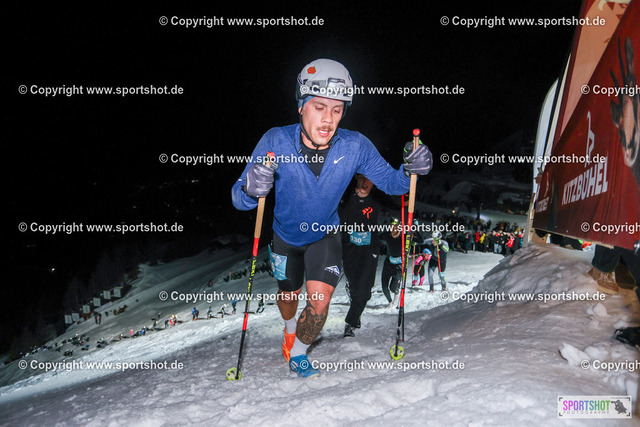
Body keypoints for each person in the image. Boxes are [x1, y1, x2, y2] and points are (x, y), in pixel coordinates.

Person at [231, 58, 433, 378]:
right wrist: (250, 189)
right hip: (285, 237)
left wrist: (411, 169)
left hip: (325, 236)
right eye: (319, 107)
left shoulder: (354, 146)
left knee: (320, 301)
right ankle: (289, 328)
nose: (328, 119)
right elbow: (239, 199)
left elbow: (394, 184)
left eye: (337, 110)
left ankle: (298, 352)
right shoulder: (275, 141)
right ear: (301, 106)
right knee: (288, 297)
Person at [340, 174, 381, 338]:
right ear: (356, 179)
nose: (365, 183)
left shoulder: (377, 201)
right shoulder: (345, 200)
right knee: (358, 291)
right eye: (362, 178)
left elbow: (400, 201)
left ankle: (350, 323)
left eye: (369, 179)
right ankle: (355, 303)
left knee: (364, 291)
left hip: (369, 251)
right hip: (349, 251)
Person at [379, 218, 404, 305]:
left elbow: (420, 241)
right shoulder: (386, 235)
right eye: (391, 227)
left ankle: (396, 294)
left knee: (393, 288)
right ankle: (391, 303)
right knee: (384, 287)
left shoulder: (403, 237)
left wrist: (415, 231)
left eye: (395, 227)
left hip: (398, 267)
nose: (393, 229)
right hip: (388, 265)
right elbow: (375, 239)